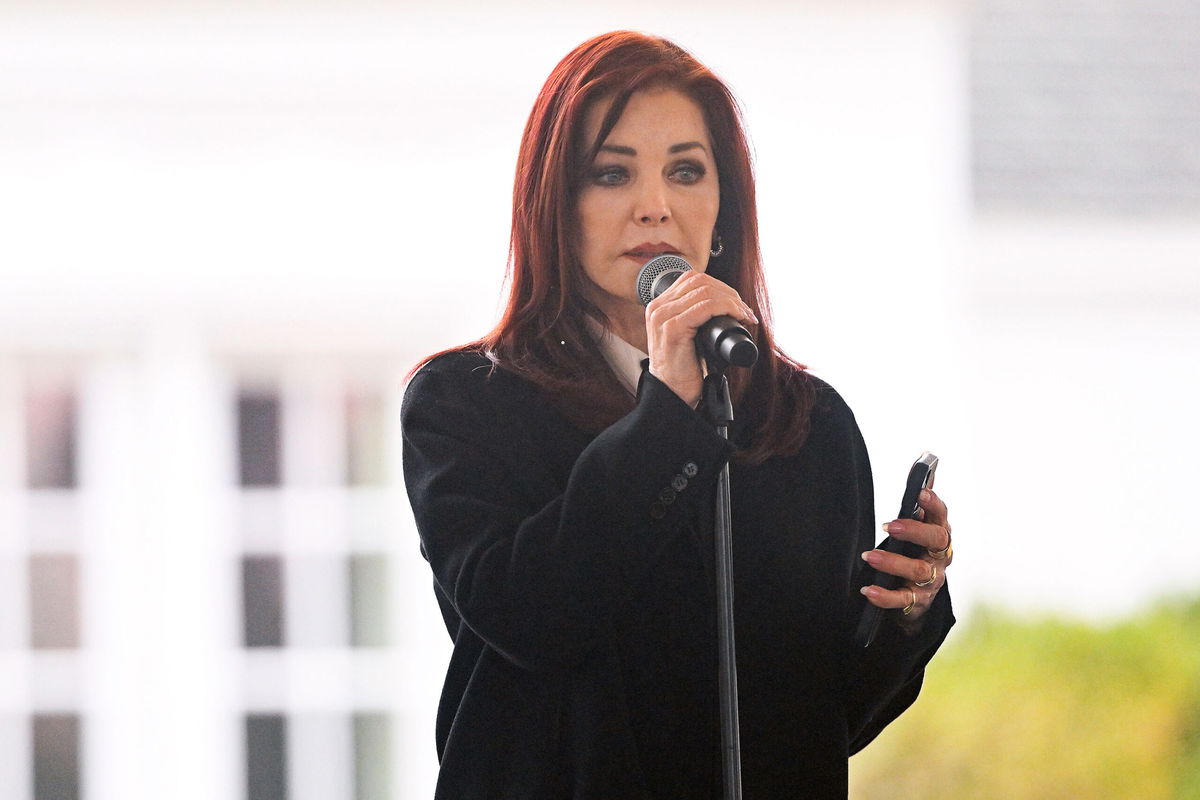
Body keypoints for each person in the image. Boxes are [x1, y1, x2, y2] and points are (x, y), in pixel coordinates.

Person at [401, 30, 955, 799]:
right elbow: (532, 617)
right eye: (611, 173)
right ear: (555, 208)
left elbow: (825, 718)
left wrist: (907, 613)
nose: (653, 207)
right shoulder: (466, 402)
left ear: (723, 209)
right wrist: (669, 411)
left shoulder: (806, 423)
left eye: (686, 171)